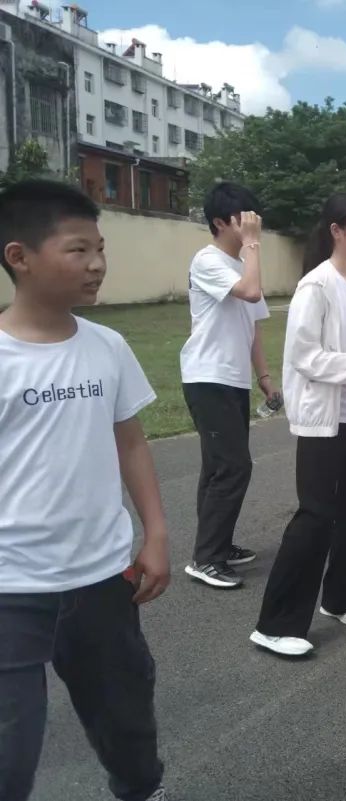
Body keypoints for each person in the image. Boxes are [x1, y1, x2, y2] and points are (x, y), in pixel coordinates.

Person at [0, 181, 171, 801]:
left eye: (100, 249)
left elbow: (130, 443)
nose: (97, 264)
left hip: (101, 579)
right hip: (10, 587)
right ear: (20, 257)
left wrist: (154, 533)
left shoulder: (108, 347)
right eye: (78, 250)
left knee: (128, 725)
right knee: (9, 755)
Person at [250, 193, 346, 656]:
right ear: (336, 230)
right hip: (323, 422)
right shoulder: (317, 286)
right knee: (315, 518)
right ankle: (276, 624)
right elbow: (304, 357)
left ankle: (338, 597)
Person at [180, 182, 278, 589]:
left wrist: (266, 380)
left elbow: (252, 325)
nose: (251, 224)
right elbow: (250, 291)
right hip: (207, 375)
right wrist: (253, 246)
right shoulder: (207, 260)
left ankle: (216, 544)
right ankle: (206, 558)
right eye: (243, 218)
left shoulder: (242, 263)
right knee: (233, 467)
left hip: (232, 378)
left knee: (218, 468)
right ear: (220, 222)